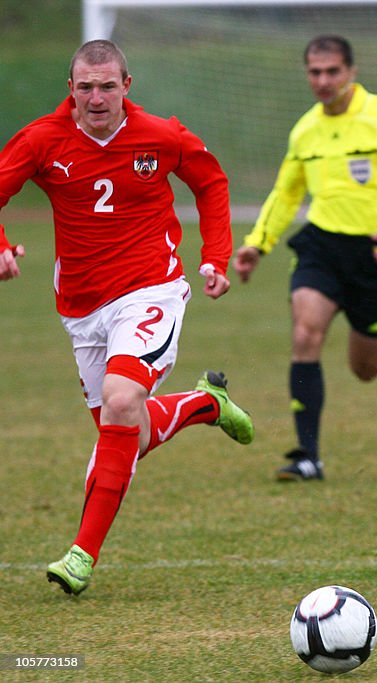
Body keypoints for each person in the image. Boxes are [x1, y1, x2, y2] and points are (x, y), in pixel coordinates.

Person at [0, 40, 253, 596]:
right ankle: (204, 403)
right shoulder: (42, 139)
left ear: (126, 86)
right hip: (82, 307)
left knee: (120, 401)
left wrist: (214, 255)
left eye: (106, 86)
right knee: (127, 435)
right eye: (85, 87)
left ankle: (81, 556)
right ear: (70, 89)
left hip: (151, 290)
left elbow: (210, 181)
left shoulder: (160, 135)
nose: (96, 97)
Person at [232, 35, 377, 482]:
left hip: (375, 254)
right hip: (322, 247)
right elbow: (286, 193)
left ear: (351, 71)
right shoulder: (305, 130)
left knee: (366, 368)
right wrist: (258, 243)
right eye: (315, 72)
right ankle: (308, 457)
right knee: (305, 332)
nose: (323, 80)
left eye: (332, 72)